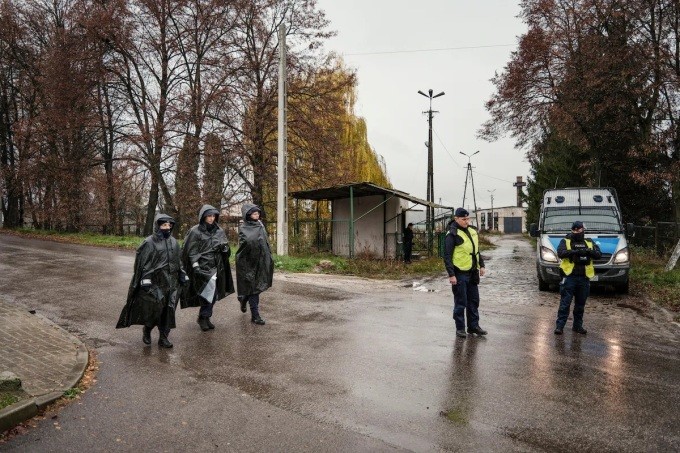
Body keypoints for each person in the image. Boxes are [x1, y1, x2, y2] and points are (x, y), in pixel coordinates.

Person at [116, 213, 186, 348]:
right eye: (164, 225)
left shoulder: (173, 242)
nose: (167, 227)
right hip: (156, 284)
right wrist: (146, 279)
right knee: (155, 310)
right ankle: (147, 329)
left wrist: (182, 273)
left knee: (169, 310)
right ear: (158, 225)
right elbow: (143, 263)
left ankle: (163, 337)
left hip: (171, 283)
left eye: (169, 225)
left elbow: (178, 260)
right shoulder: (149, 242)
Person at [180, 204, 235, 331]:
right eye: (209, 216)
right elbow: (190, 250)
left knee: (214, 293)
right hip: (203, 267)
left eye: (213, 216)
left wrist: (225, 249)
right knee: (206, 293)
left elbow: (226, 250)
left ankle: (205, 316)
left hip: (218, 266)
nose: (211, 218)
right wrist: (195, 265)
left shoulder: (219, 231)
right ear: (203, 216)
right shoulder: (195, 231)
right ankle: (203, 317)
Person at [443, 207, 487, 338]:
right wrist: (451, 275)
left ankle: (473, 326)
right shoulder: (452, 234)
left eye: (468, 219)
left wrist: (482, 265)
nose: (466, 221)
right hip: (459, 272)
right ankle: (460, 328)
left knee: (474, 300)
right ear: (456, 219)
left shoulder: (472, 231)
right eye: (464, 219)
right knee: (461, 301)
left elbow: (476, 250)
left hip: (473, 271)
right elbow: (447, 256)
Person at [554, 220, 602, 335]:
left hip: (584, 278)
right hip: (570, 277)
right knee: (565, 303)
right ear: (572, 230)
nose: (577, 232)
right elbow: (561, 253)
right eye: (574, 230)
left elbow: (598, 254)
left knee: (580, 304)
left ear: (583, 230)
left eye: (579, 230)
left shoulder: (589, 242)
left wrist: (587, 251)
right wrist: (575, 252)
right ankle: (559, 327)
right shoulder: (565, 241)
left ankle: (577, 326)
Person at [236, 204, 274, 325]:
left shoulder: (261, 225)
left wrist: (268, 258)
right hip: (248, 263)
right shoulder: (243, 228)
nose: (257, 215)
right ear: (248, 215)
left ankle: (243, 298)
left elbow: (265, 243)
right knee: (254, 290)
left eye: (258, 213)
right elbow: (243, 246)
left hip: (260, 261)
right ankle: (255, 315)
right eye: (254, 213)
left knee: (257, 288)